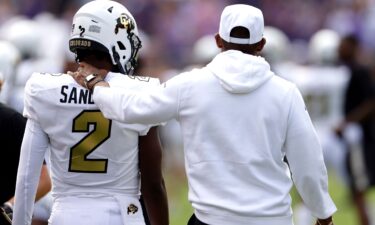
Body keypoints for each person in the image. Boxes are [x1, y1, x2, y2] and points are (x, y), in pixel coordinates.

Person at [71, 4, 337, 225]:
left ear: (218, 40)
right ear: (261, 43)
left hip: (210, 220)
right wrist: (323, 214)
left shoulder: (190, 85)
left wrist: (96, 82)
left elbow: (131, 110)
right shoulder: (285, 92)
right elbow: (308, 164)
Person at [12, 1, 168, 225]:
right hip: (122, 215)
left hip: (66, 215)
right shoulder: (140, 91)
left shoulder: (43, 89)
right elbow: (153, 183)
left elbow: (27, 177)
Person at [335, 34, 375, 225]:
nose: (338, 50)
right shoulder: (346, 71)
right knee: (355, 187)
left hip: (360, 138)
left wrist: (349, 121)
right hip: (350, 137)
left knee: (358, 187)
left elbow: (371, 103)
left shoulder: (359, 71)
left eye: (342, 46)